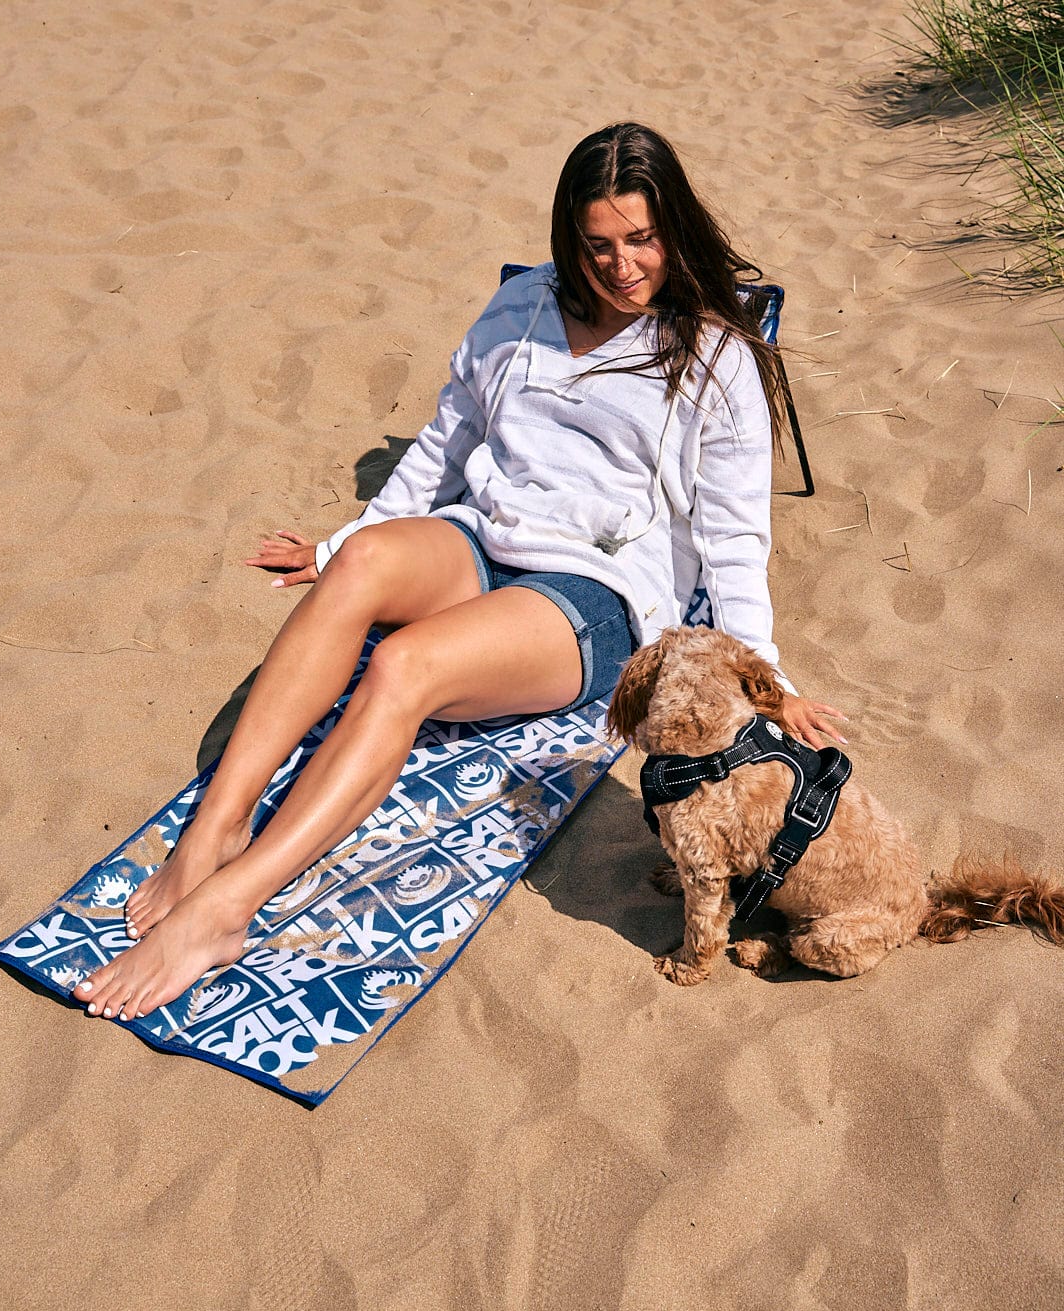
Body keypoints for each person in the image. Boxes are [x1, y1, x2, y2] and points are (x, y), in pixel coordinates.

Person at [75, 122, 845, 1022]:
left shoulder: (714, 357)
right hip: (481, 536)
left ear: (673, 226)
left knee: (404, 666)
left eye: (642, 239)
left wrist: (769, 681)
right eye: (598, 246)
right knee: (362, 565)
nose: (623, 267)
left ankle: (225, 908)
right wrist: (337, 546)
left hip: (592, 595)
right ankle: (216, 829)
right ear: (570, 238)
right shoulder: (520, 309)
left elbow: (735, 539)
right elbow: (445, 446)